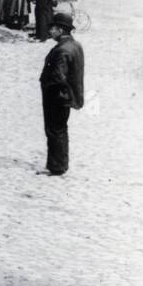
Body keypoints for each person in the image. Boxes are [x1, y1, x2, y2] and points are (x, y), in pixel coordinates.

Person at [39, 9, 85, 176]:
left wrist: (48, 87)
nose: (50, 31)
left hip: (57, 96)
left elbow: (58, 76)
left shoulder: (62, 50)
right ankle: (59, 164)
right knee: (60, 129)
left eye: (53, 28)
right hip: (67, 96)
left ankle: (56, 166)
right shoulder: (75, 45)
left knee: (54, 130)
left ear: (60, 30)